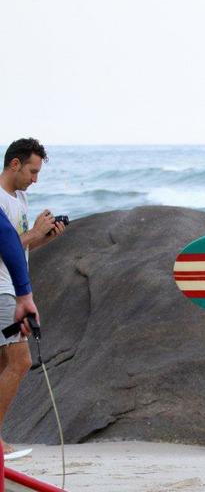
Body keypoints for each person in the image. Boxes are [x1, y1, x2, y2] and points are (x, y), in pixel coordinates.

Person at [0, 138, 65, 455]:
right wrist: (34, 234)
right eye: (32, 171)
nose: (35, 179)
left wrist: (44, 238)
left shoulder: (20, 199)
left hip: (11, 287)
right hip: (2, 291)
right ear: (14, 164)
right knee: (21, 360)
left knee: (4, 364)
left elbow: (18, 247)